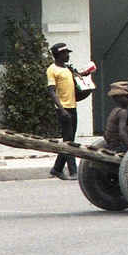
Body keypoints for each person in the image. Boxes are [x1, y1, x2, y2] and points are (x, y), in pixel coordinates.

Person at [47, 42, 78, 181]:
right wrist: (61, 109)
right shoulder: (52, 70)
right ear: (59, 55)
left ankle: (57, 169)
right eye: (66, 53)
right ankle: (73, 172)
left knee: (69, 139)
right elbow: (52, 92)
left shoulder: (67, 69)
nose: (68, 55)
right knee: (69, 142)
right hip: (63, 109)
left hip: (72, 106)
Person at [103, 81, 128, 153]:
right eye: (127, 96)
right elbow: (122, 134)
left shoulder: (115, 111)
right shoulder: (122, 112)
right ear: (118, 98)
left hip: (112, 146)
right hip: (119, 147)